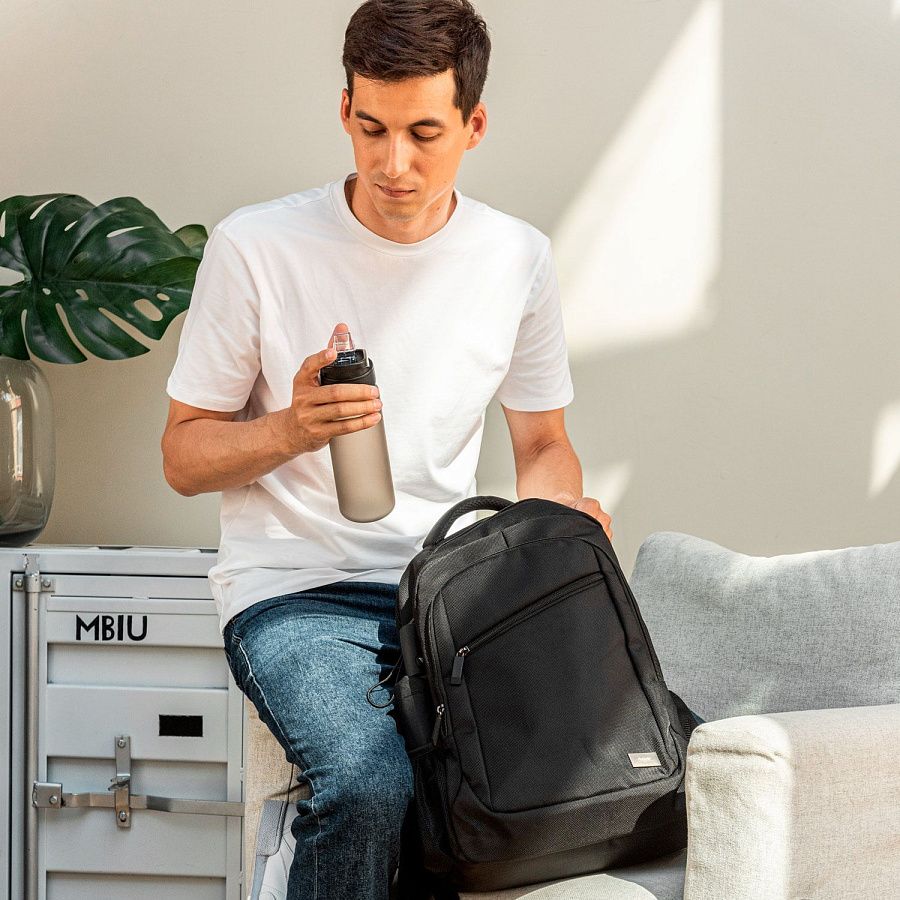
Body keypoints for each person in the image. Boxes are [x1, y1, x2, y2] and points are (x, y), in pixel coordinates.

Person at [161, 1, 612, 897]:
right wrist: (291, 429)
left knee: (546, 780)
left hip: (447, 596)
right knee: (369, 784)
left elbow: (543, 443)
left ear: (474, 126)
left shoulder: (515, 257)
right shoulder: (257, 247)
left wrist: (557, 525)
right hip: (294, 595)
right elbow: (182, 457)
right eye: (371, 128)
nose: (393, 163)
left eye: (423, 133)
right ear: (344, 111)